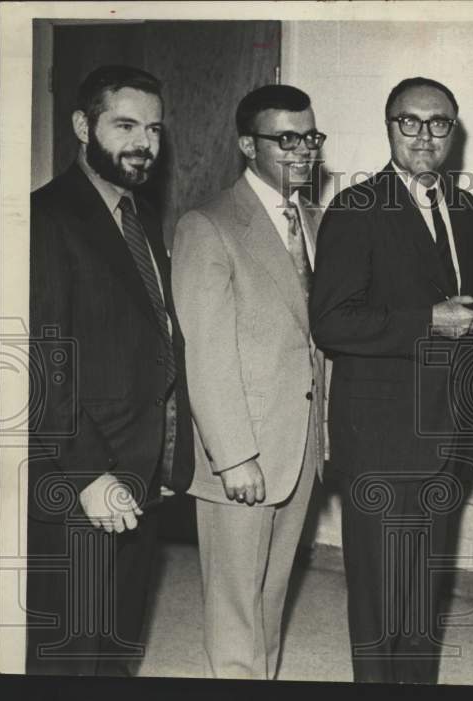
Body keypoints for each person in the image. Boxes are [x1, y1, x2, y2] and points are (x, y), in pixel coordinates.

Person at [309, 77, 473, 684]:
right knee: (380, 605)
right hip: (381, 441)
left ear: (453, 131)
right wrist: (429, 321)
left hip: (448, 438)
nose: (424, 135)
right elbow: (331, 321)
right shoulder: (355, 209)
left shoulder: (463, 208)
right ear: (389, 128)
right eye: (408, 121)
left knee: (421, 600)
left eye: (438, 123)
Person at [27, 64, 194, 675]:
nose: (144, 143)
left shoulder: (141, 216)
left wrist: (169, 454)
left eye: (153, 129)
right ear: (81, 125)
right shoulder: (44, 218)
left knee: (119, 641)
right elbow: (42, 360)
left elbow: (157, 338)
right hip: (78, 473)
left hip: (140, 467)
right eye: (125, 125)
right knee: (69, 648)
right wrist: (91, 473)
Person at [170, 84, 326, 679]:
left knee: (271, 595)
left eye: (310, 137)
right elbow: (205, 353)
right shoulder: (207, 225)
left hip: (301, 442)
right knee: (235, 608)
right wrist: (234, 456)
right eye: (286, 139)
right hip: (243, 450)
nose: (303, 150)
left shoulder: (312, 218)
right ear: (246, 144)